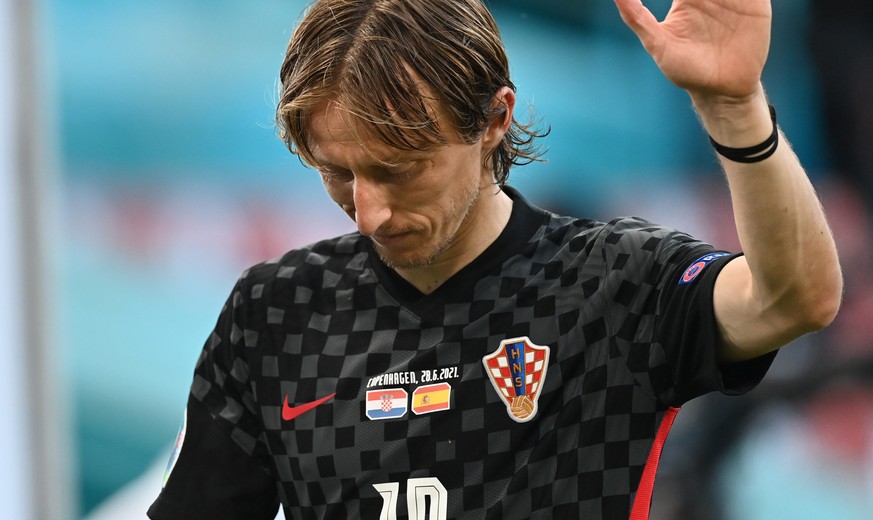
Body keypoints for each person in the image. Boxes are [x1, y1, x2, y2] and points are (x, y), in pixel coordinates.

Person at [147, 0, 843, 518]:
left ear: (493, 120)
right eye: (337, 173)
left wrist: (735, 109)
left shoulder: (614, 283)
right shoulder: (273, 313)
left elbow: (795, 299)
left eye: (399, 170)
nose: (368, 212)